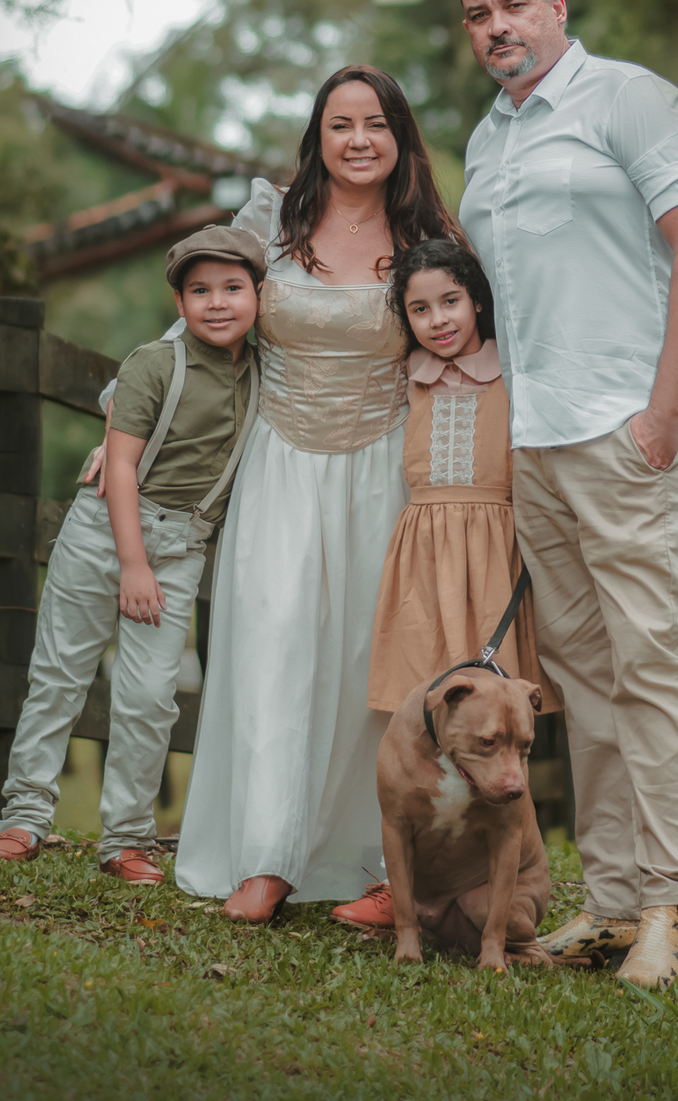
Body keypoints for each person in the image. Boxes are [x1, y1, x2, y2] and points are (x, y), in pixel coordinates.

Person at [457, 0, 678, 990]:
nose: (498, 26)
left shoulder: (629, 98)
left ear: (557, 6)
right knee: (583, 678)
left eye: (516, 4)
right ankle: (614, 903)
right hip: (538, 446)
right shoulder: (488, 140)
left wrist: (662, 415)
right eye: (479, 13)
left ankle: (671, 902)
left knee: (652, 665)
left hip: (631, 435)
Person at [173, 66, 464, 925]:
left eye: (377, 123)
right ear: (318, 138)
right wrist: (128, 410)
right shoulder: (273, 219)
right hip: (280, 463)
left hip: (384, 467)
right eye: (341, 125)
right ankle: (265, 859)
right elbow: (206, 305)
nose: (360, 140)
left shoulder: (429, 234)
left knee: (363, 665)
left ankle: (377, 862)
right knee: (271, 644)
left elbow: (467, 332)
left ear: (400, 136)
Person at [0, 226, 263, 882]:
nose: (217, 303)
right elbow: (124, 468)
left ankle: (127, 839)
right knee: (59, 677)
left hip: (184, 544)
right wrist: (133, 564)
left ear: (258, 295)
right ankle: (24, 817)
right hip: (107, 535)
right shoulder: (154, 363)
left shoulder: (263, 372)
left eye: (232, 288)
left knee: (150, 697)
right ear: (178, 300)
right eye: (199, 291)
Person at [367, 236, 557, 709]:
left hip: (496, 553)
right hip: (424, 556)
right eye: (420, 309)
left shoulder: (512, 374)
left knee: (498, 698)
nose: (438, 320)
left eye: (450, 301)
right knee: (425, 691)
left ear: (475, 298)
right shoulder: (410, 374)